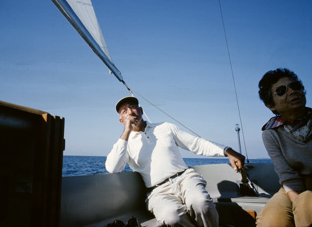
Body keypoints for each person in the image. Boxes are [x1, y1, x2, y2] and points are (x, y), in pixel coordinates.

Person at [105, 96, 245, 227]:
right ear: (121, 120)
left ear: (141, 110)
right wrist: (126, 132)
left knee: (200, 203)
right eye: (124, 111)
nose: (130, 112)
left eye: (132, 107)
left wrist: (227, 151)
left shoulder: (165, 127)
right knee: (172, 217)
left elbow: (195, 144)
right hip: (158, 191)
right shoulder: (124, 143)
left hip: (185, 178)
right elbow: (113, 168)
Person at [256, 68, 312, 227]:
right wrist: (298, 203)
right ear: (271, 105)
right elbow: (288, 177)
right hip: (292, 187)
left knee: (307, 203)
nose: (292, 91)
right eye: (281, 91)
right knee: (270, 221)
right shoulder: (271, 134)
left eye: (295, 86)